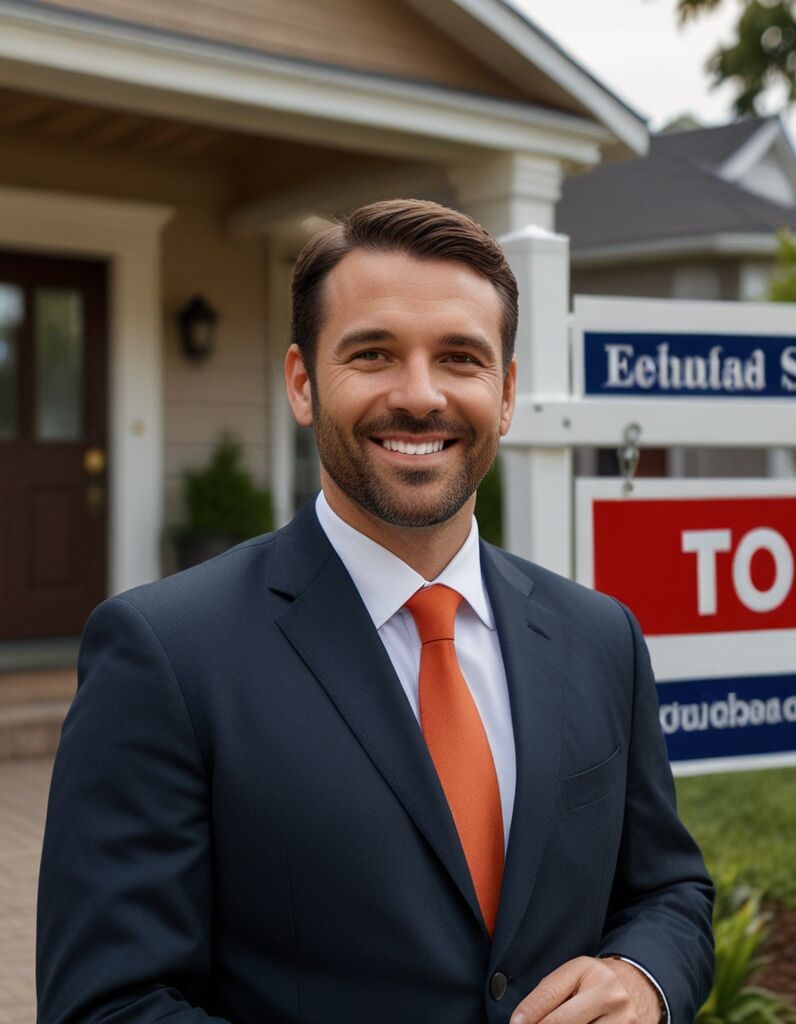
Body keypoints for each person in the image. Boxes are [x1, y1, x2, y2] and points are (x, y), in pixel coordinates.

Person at [37, 199, 714, 1023]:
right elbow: (108, 1004)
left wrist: (644, 978)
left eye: (460, 358)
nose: (420, 396)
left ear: (504, 394)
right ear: (302, 383)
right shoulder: (166, 654)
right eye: (374, 354)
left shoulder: (601, 637)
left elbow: (670, 889)